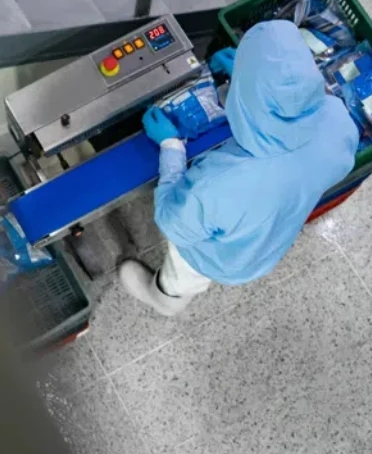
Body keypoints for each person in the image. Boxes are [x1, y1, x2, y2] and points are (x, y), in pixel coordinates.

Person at [119, 20, 359, 316]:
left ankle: (164, 298)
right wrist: (247, 76)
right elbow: (296, 115)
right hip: (270, 238)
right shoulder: (338, 121)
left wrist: (170, 146)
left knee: (184, 275)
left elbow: (172, 221)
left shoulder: (222, 184)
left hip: (221, 258)